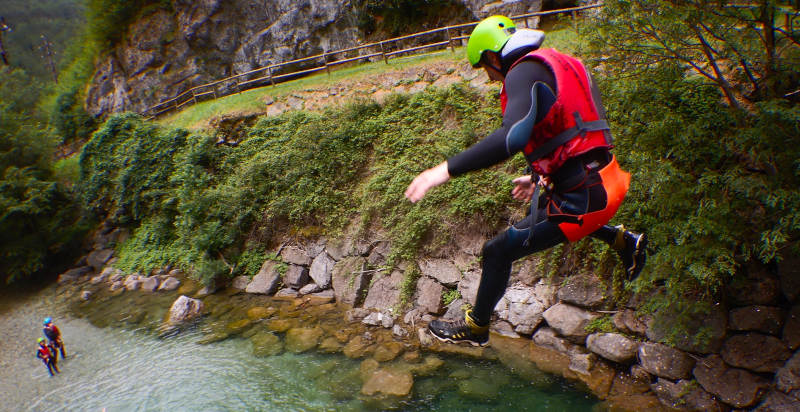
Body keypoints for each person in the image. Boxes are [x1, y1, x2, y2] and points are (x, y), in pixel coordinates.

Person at [405, 16, 647, 346]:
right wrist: (540, 175)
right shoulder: (558, 64)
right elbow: (570, 132)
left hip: (585, 201)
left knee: (496, 252)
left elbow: (512, 137)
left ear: (493, 56)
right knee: (545, 205)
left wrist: (443, 171)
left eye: (485, 68)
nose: (490, 77)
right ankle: (622, 240)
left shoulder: (521, 72)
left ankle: (476, 327)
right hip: (605, 180)